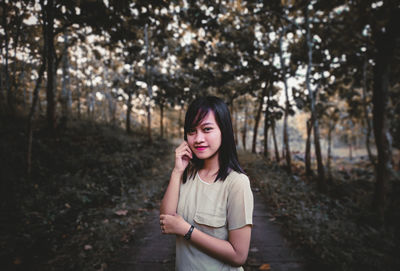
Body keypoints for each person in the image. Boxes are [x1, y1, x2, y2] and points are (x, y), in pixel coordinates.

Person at [160, 96, 254, 270]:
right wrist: (177, 172)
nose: (198, 139)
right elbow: (166, 221)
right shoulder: (187, 173)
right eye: (192, 131)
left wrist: (187, 231)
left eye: (207, 129)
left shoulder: (237, 183)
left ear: (223, 131)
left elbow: (239, 255)